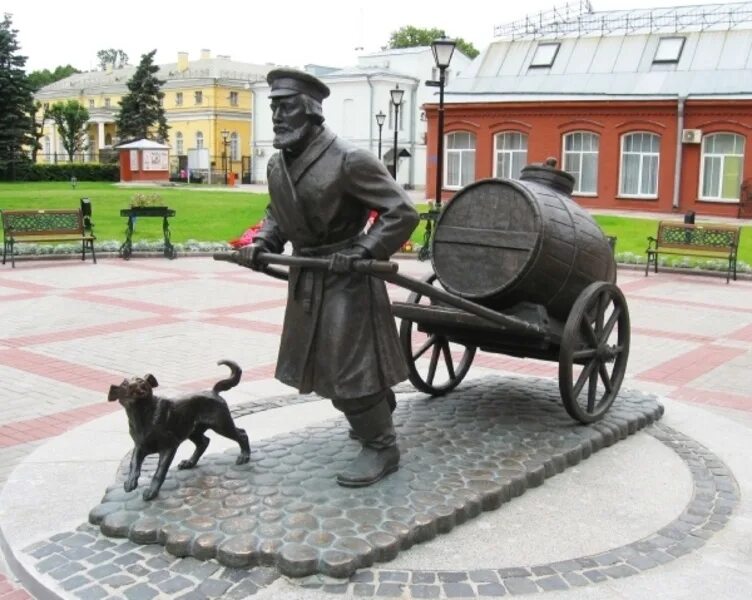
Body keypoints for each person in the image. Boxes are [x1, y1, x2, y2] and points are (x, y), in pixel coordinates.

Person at [238, 68, 418, 487]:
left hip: (347, 278)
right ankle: (375, 410)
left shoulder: (350, 160)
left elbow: (401, 212)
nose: (277, 117)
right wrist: (264, 240)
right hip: (309, 275)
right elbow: (278, 211)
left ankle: (382, 446)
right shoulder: (279, 163)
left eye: (285, 108)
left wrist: (362, 250)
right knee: (322, 363)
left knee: (346, 366)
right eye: (274, 108)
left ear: (310, 113)